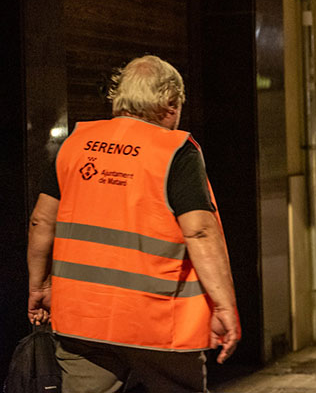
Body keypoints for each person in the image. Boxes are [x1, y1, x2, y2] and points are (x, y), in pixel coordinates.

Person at [26, 55, 240, 392]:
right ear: (171, 103)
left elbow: (41, 221)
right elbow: (199, 231)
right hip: (159, 325)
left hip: (83, 321)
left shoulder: (75, 144)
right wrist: (225, 305)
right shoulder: (176, 152)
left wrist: (39, 287)